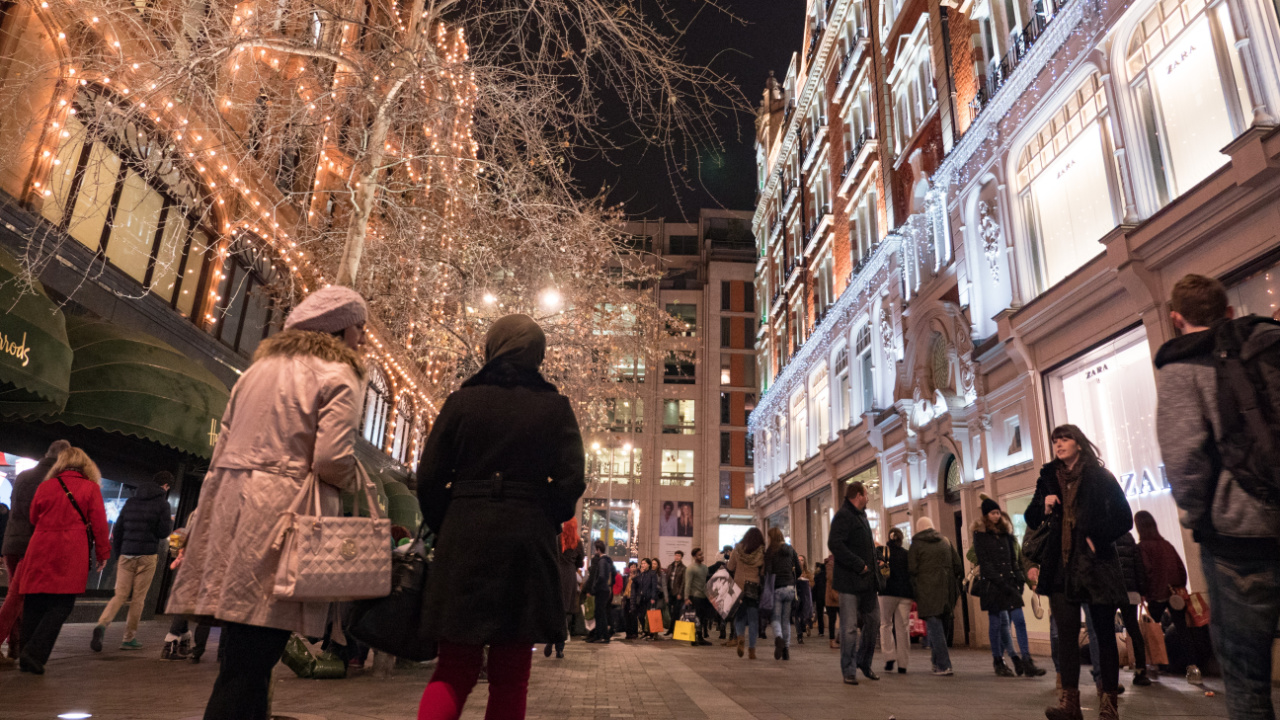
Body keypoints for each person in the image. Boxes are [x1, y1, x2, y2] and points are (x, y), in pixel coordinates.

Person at [166, 286, 371, 720]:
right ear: (340, 329)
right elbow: (332, 458)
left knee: (241, 656)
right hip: (284, 516)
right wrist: (352, 478)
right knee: (252, 660)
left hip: (229, 511)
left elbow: (221, 450)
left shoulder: (255, 372)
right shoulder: (340, 375)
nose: (362, 338)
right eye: (359, 327)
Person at [415, 313, 586, 720]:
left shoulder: (462, 403)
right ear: (537, 356)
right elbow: (572, 480)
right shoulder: (555, 408)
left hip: (465, 535)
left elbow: (429, 476)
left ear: (491, 350)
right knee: (512, 673)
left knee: (454, 666)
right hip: (524, 541)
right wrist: (544, 514)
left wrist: (450, 522)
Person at [1155, 273, 1280, 720]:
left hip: (1237, 538)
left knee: (1247, 682)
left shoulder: (1182, 369)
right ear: (1228, 312)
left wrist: (1198, 515)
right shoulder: (1267, 346)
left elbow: (1184, 461)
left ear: (1175, 319)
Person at [1025, 424, 1133, 720]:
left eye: (1065, 439)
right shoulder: (1048, 477)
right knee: (1067, 636)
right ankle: (1069, 705)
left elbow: (1125, 518)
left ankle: (1109, 705)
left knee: (1104, 635)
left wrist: (1097, 537)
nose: (1059, 444)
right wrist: (1043, 506)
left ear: (1079, 443)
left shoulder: (1100, 476)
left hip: (1096, 566)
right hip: (1061, 568)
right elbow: (1031, 519)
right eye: (1055, 440)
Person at [15, 446, 111, 674]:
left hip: (40, 546)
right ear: (86, 465)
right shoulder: (90, 488)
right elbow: (99, 525)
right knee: (61, 604)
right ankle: (34, 653)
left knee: (34, 602)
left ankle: (25, 654)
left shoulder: (45, 486)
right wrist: (102, 554)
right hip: (69, 550)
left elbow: (33, 517)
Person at [0, 439, 69, 663]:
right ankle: (9, 642)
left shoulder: (23, 476)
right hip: (31, 545)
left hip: (11, 543)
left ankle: (15, 646)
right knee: (17, 597)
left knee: (18, 595)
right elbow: (39, 517)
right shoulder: (52, 481)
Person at [92, 471, 173, 653]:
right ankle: (128, 638)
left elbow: (118, 531)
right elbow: (162, 533)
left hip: (126, 555)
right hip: (146, 555)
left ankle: (102, 625)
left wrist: (120, 554)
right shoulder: (162, 504)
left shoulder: (131, 502)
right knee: (138, 598)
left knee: (119, 595)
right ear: (166, 486)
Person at [968, 495, 1044, 678]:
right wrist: (1002, 582)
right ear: (986, 515)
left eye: (997, 513)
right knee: (996, 624)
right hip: (993, 586)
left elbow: (1014, 560)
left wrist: (1019, 581)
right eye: (993, 513)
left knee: (1019, 621)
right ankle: (998, 660)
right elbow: (985, 563)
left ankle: (1027, 660)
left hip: (1011, 585)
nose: (996, 516)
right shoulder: (980, 536)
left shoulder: (1007, 534)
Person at [829, 480, 880, 685]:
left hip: (868, 583)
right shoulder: (843, 516)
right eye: (866, 495)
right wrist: (859, 564)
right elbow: (835, 544)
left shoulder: (862, 516)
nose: (868, 498)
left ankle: (863, 662)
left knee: (874, 622)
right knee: (849, 628)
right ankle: (849, 670)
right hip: (849, 583)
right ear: (858, 495)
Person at [1133, 511, 1192, 677]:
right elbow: (1181, 569)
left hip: (1156, 595)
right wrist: (1179, 587)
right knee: (1183, 630)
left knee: (1151, 629)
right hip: (1175, 595)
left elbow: (1146, 571)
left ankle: (1153, 664)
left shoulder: (1142, 547)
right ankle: (1193, 666)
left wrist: (1143, 592)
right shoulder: (1167, 545)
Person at [909, 516, 962, 676]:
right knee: (940, 627)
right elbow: (958, 566)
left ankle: (944, 665)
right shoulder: (945, 541)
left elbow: (911, 570)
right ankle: (936, 662)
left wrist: (915, 592)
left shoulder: (917, 545)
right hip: (946, 591)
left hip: (927, 591)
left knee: (935, 628)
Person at [545, 519, 585, 659]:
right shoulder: (578, 542)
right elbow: (580, 562)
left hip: (557, 575)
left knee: (555, 609)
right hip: (569, 577)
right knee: (565, 613)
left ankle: (550, 639)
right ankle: (560, 648)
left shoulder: (557, 538)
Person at [877, 527, 913, 674]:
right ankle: (903, 664)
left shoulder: (882, 552)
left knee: (885, 624)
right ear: (901, 538)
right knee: (903, 628)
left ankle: (889, 657)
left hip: (886, 592)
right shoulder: (907, 554)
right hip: (905, 594)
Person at [764, 527, 802, 660]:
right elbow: (799, 569)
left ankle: (779, 638)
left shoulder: (770, 551)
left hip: (777, 588)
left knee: (775, 618)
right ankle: (786, 650)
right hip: (790, 588)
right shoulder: (791, 549)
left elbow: (767, 571)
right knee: (786, 620)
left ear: (771, 537)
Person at [728, 527, 765, 659]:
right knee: (754, 619)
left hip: (739, 587)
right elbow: (763, 572)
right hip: (753, 588)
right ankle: (752, 650)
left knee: (740, 617)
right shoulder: (761, 551)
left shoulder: (737, 549)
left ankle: (740, 637)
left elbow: (730, 567)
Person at [586, 541, 617, 643]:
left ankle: (604, 636)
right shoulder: (608, 560)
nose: (595, 551)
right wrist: (610, 585)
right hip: (605, 590)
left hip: (601, 590)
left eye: (595, 549)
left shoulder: (602, 561)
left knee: (600, 613)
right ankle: (599, 635)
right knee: (600, 613)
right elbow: (614, 573)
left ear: (598, 550)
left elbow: (602, 576)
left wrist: (595, 587)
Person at [683, 547, 712, 646]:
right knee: (694, 618)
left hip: (704, 596)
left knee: (702, 617)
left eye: (702, 554)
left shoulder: (705, 568)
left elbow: (706, 582)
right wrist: (686, 598)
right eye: (700, 555)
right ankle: (693, 638)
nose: (702, 556)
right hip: (695, 596)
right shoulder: (691, 568)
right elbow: (688, 584)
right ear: (695, 556)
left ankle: (700, 637)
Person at [793, 554, 813, 644]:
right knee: (796, 614)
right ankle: (799, 634)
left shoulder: (807, 573)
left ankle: (804, 626)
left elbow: (812, 584)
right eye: (798, 560)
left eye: (802, 560)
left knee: (803, 614)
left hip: (805, 594)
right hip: (796, 594)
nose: (800, 561)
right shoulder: (793, 571)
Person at [667, 550, 686, 636]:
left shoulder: (683, 568)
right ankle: (671, 629)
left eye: (679, 556)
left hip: (677, 593)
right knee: (670, 612)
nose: (677, 557)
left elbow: (683, 582)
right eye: (676, 555)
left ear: (681, 557)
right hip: (670, 592)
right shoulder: (670, 566)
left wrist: (680, 593)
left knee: (676, 612)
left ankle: (673, 630)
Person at [823, 555, 840, 648]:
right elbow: (830, 577)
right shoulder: (830, 563)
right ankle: (832, 640)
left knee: (845, 618)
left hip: (840, 595)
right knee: (832, 620)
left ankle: (840, 637)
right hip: (832, 597)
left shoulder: (840, 562)